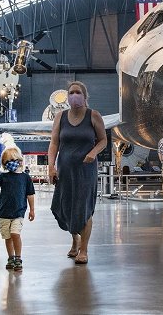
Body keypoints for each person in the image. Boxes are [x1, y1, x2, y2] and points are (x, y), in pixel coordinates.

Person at [48, 81, 107, 265]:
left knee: (84, 209)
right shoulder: (60, 117)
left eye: (78, 92)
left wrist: (93, 152)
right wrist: (51, 166)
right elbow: (54, 143)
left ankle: (84, 249)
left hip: (86, 171)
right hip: (65, 170)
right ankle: (75, 240)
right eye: (71, 92)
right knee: (66, 206)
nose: (74, 95)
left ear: (84, 95)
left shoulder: (93, 116)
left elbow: (103, 140)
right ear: (67, 96)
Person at [0, 145, 35, 271]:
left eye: (13, 160)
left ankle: (18, 257)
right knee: (7, 237)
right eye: (7, 162)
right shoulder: (3, 176)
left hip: (18, 211)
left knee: (15, 234)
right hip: (4, 212)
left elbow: (30, 194)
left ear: (19, 161)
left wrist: (32, 209)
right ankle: (11, 257)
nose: (10, 164)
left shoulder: (25, 177)